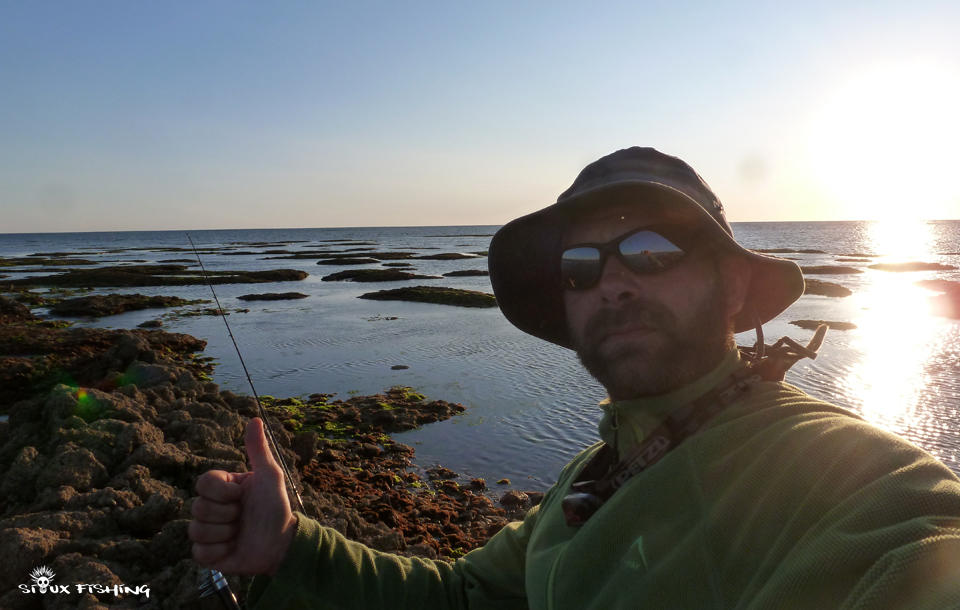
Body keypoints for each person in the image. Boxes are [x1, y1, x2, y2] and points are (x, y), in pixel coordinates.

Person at [190, 147, 960, 609]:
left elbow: (921, 543)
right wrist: (292, 548)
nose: (614, 283)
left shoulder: (821, 465)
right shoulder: (589, 480)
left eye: (652, 251)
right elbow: (469, 599)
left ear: (731, 288)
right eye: (582, 264)